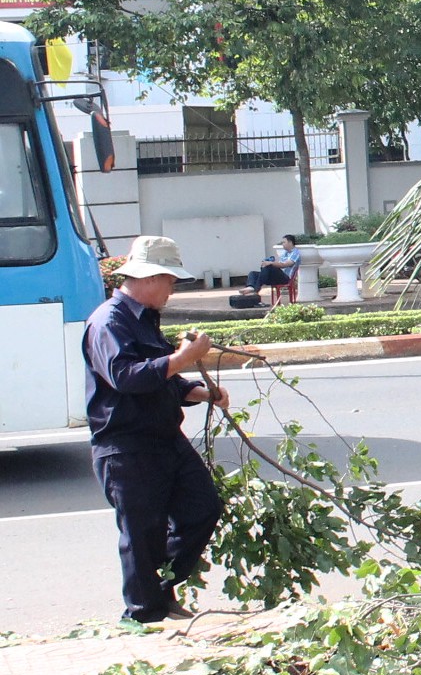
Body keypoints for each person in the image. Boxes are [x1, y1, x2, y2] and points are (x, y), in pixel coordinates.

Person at [83, 235, 230, 623]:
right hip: (126, 445)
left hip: (165, 438)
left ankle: (158, 587)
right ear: (150, 278)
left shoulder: (146, 320)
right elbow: (126, 377)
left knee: (203, 509)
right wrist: (183, 358)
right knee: (142, 535)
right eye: (169, 280)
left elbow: (161, 377)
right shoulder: (108, 322)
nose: (171, 289)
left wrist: (200, 392)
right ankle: (144, 614)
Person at [247, 234, 301, 305]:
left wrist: (270, 263)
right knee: (253, 273)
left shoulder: (295, 253)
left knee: (269, 266)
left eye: (284, 242)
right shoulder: (285, 253)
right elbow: (279, 263)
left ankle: (255, 290)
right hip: (277, 276)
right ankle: (250, 287)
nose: (282, 244)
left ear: (290, 242)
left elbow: (284, 265)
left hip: (286, 278)